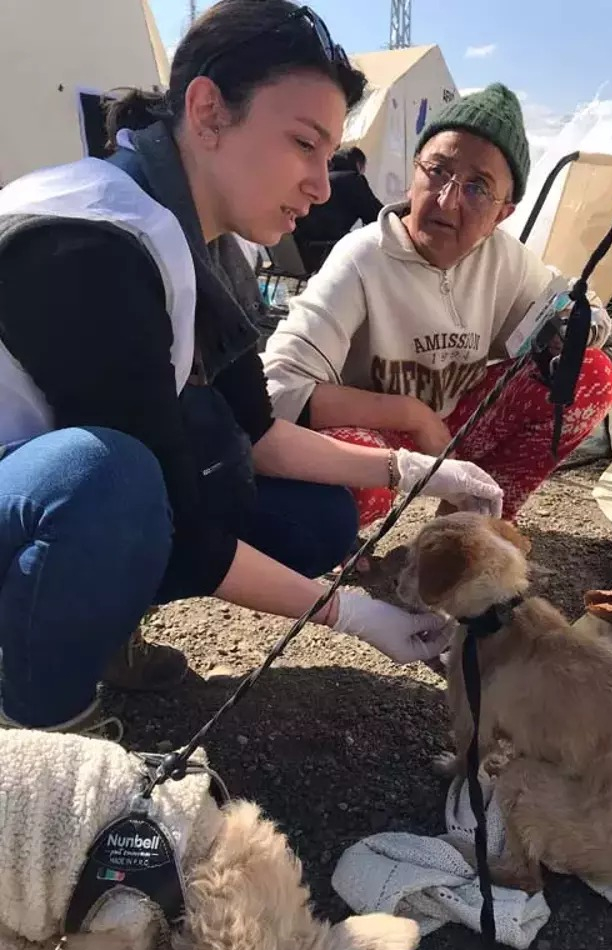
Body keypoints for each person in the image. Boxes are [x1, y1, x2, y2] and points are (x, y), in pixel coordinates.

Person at [0, 0, 504, 735]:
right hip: (37, 493)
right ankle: (45, 723)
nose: (324, 185)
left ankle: (94, 630)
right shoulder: (91, 242)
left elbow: (259, 432)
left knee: (310, 513)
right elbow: (169, 517)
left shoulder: (203, 241)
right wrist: (347, 613)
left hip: (33, 493)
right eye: (304, 143)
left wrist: (411, 470)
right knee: (110, 481)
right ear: (207, 111)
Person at [262, 84, 612, 526]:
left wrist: (577, 326)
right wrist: (411, 415)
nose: (448, 201)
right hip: (382, 437)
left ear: (502, 214)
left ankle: (470, 525)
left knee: (591, 374)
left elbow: (585, 308)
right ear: (413, 172)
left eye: (477, 188)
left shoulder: (504, 258)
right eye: (437, 171)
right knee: (347, 491)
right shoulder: (363, 258)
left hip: (462, 423)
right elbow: (276, 388)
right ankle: (342, 543)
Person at [293, 145, 383, 271]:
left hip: (297, 250)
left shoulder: (319, 179)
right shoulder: (353, 180)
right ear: (358, 164)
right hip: (325, 251)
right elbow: (376, 216)